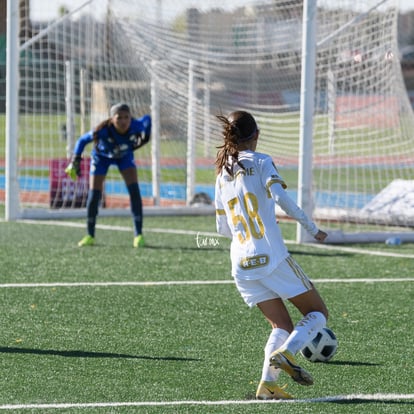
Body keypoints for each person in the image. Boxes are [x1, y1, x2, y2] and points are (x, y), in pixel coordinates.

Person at [214, 111, 329, 400]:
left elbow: (222, 227)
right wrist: (313, 228)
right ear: (256, 135)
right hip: (271, 256)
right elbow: (281, 199)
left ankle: (268, 385)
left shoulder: (222, 173)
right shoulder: (262, 161)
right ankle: (288, 354)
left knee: (281, 325)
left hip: (240, 264)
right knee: (318, 313)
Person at [65, 103, 151, 248]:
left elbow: (148, 119)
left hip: (124, 157)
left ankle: (139, 235)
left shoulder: (136, 125)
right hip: (101, 158)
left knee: (135, 192)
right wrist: (76, 159)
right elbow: (82, 140)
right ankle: (90, 235)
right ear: (112, 119)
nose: (123, 121)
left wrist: (146, 136)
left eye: (126, 117)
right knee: (94, 195)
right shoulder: (102, 130)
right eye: (119, 118)